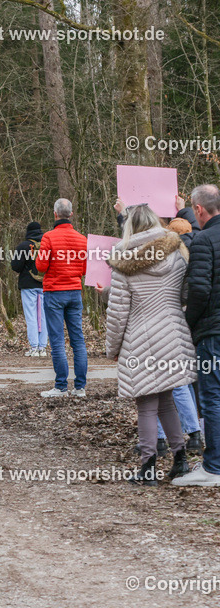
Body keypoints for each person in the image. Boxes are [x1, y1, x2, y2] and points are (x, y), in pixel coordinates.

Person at [105, 205, 196, 485]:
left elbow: (118, 312)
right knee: (167, 400)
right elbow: (185, 294)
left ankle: (148, 468)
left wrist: (112, 348)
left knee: (146, 404)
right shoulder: (177, 253)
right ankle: (180, 460)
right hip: (173, 333)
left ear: (130, 227)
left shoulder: (123, 262)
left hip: (139, 339)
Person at [178, 184, 220, 486]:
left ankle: (214, 466)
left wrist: (189, 323)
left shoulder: (204, 241)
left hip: (213, 331)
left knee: (212, 397)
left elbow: (200, 290)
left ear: (199, 210)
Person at [34, 198, 88, 398]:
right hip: (74, 291)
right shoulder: (82, 240)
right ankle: (80, 387)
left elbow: (41, 266)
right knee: (78, 340)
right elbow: (84, 269)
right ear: (71, 214)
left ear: (55, 214)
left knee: (57, 341)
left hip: (54, 292)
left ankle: (61, 386)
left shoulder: (48, 237)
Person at [11, 222, 48, 357]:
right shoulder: (47, 245)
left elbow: (15, 267)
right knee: (44, 316)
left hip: (27, 285)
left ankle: (34, 347)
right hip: (45, 285)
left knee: (31, 316)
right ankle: (43, 348)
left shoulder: (23, 246)